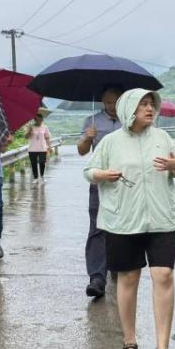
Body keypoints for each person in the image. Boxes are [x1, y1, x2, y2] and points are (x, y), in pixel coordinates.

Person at [84, 89, 175, 349]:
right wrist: (103, 175)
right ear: (129, 108)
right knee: (128, 277)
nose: (149, 108)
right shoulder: (111, 142)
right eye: (143, 104)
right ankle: (129, 341)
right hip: (123, 219)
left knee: (163, 275)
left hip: (162, 218)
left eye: (151, 104)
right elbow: (89, 171)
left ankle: (163, 348)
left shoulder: (162, 138)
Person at [76, 87, 123, 299]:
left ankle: (117, 265)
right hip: (99, 181)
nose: (111, 107)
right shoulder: (92, 121)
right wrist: (88, 138)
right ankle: (97, 278)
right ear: (102, 102)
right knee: (97, 228)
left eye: (115, 102)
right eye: (108, 102)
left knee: (122, 228)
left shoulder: (130, 121)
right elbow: (81, 150)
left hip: (125, 183)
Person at [24, 113, 51, 183]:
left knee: (42, 162)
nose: (39, 121)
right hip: (32, 149)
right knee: (33, 163)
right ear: (35, 120)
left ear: (42, 120)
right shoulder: (30, 127)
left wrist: (49, 147)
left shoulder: (45, 127)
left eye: (40, 119)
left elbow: (47, 138)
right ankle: (35, 178)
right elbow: (26, 137)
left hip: (42, 148)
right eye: (37, 119)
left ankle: (42, 176)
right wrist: (29, 131)